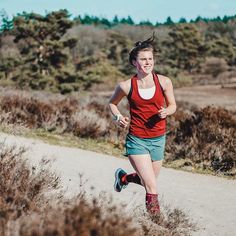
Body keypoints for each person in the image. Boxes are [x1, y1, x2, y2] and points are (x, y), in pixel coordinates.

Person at [108, 35, 176, 215]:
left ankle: (123, 177)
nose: (148, 62)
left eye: (150, 59)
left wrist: (167, 112)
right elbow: (112, 104)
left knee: (147, 179)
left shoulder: (164, 81)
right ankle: (155, 224)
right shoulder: (126, 86)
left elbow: (173, 105)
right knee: (152, 186)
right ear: (134, 62)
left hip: (158, 139)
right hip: (137, 140)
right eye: (143, 59)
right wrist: (118, 117)